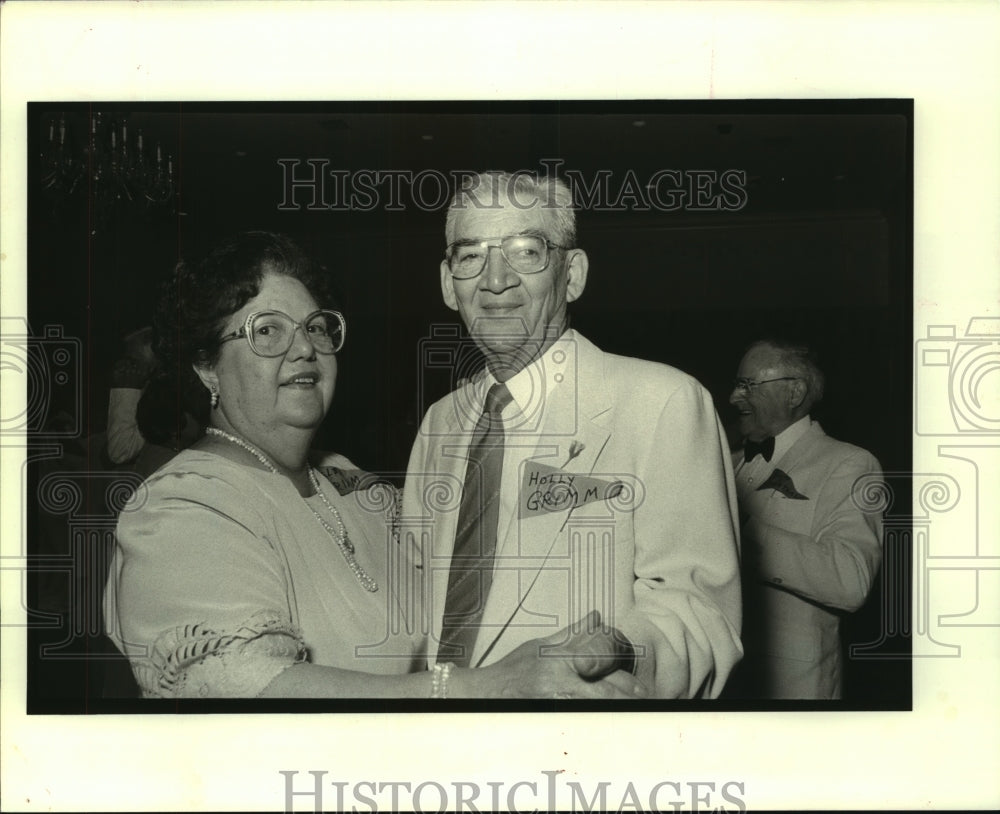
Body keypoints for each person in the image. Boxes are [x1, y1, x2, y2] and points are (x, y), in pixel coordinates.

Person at [103, 231, 646, 700]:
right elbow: (243, 688)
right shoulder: (183, 506)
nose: (304, 349)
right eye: (267, 330)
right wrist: (481, 688)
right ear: (206, 367)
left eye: (316, 327)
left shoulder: (347, 481)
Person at [401, 172, 743, 698]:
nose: (496, 281)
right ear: (449, 284)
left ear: (573, 273)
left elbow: (699, 613)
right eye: (471, 256)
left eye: (526, 251)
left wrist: (617, 650)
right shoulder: (439, 422)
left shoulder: (662, 401)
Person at [726, 339, 884, 699]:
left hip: (794, 693)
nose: (734, 397)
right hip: (726, 688)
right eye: (737, 385)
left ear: (794, 391)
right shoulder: (726, 459)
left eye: (747, 385)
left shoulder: (850, 464)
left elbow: (850, 579)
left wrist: (740, 529)